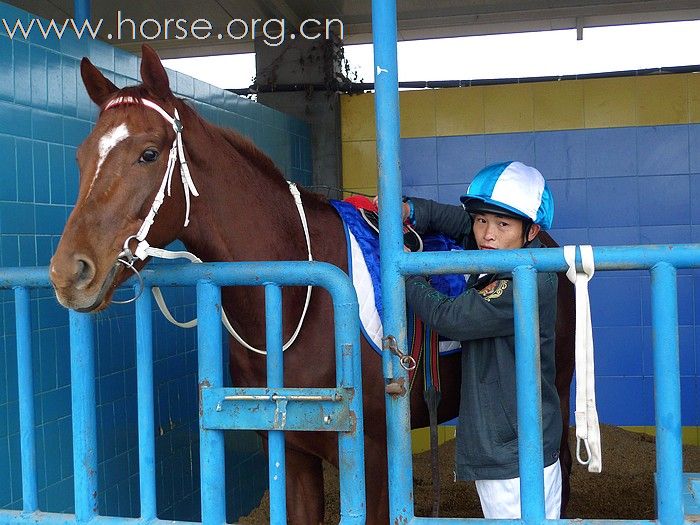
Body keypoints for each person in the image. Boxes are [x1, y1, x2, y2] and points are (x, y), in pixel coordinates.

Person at [402, 161, 562, 519]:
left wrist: (408, 274)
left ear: (531, 230)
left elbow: (453, 318)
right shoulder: (504, 251)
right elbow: (463, 224)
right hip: (511, 444)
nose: (487, 234)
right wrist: (413, 209)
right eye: (481, 221)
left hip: (514, 454)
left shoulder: (525, 279)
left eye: (502, 224)